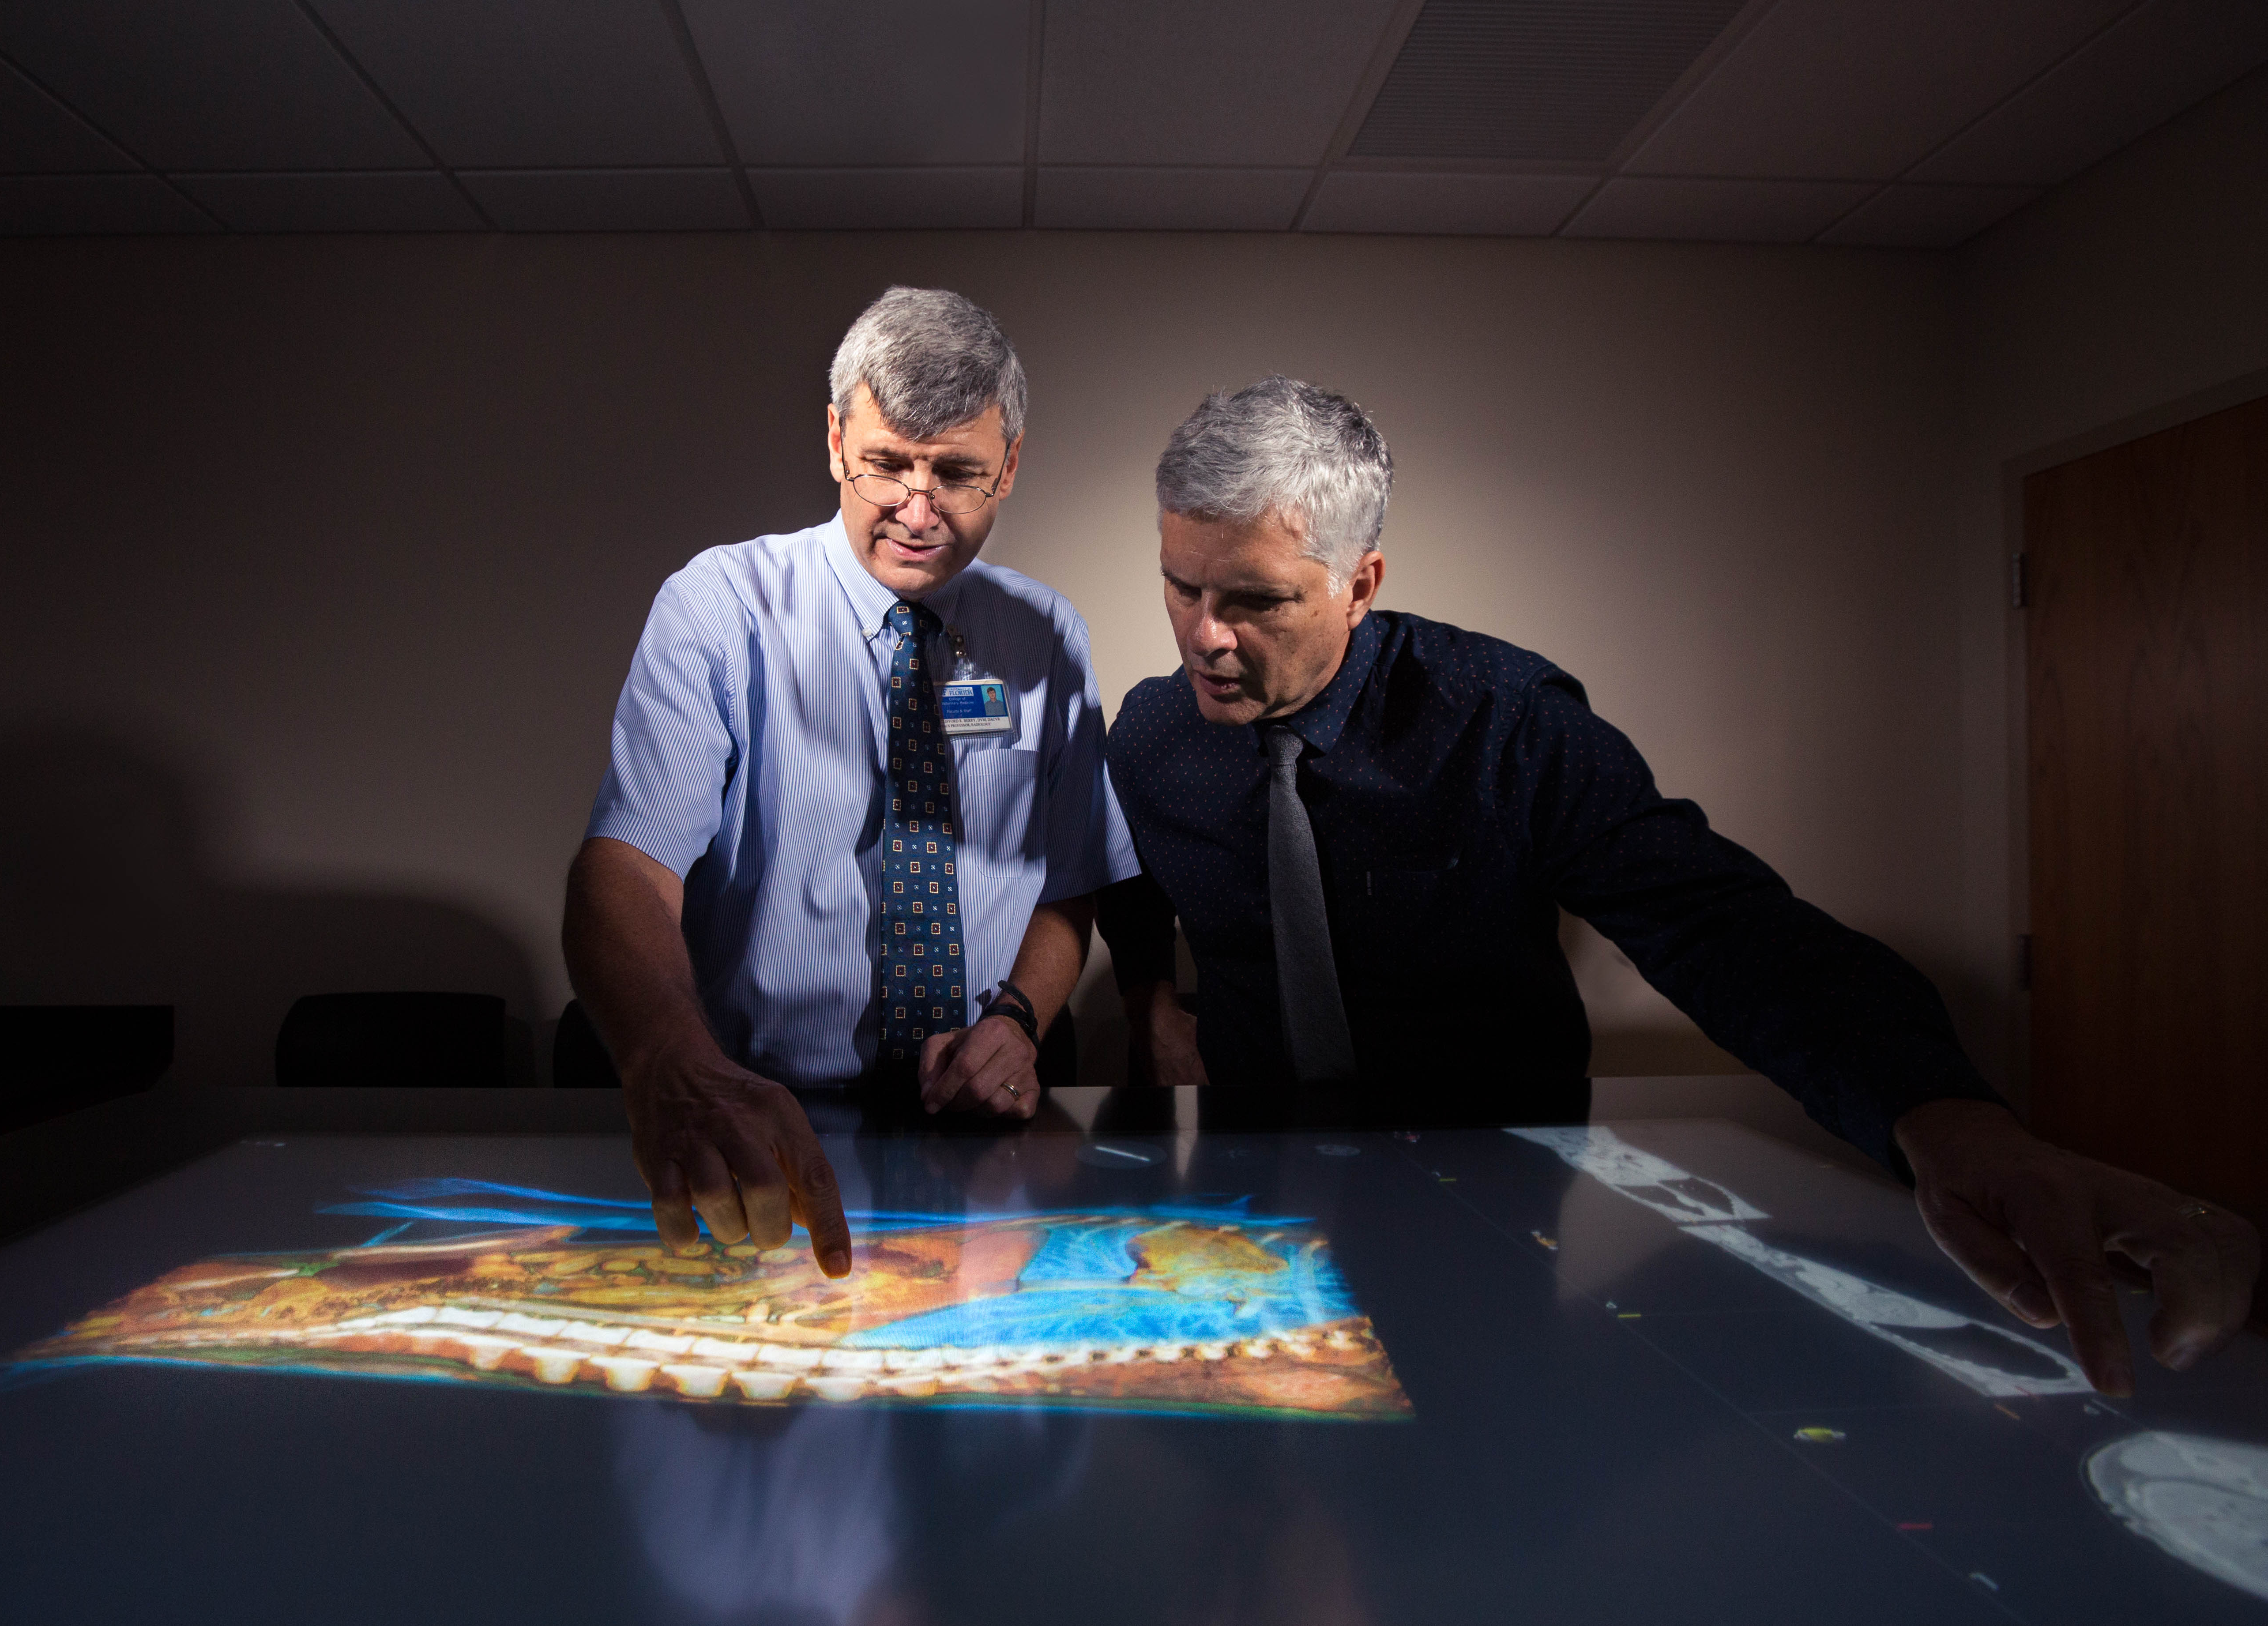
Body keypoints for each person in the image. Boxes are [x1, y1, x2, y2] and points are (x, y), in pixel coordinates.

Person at [1097, 375, 2258, 1394]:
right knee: (1265, 1459)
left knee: (1476, 1468)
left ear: (1359, 583)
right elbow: (1133, 877)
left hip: (1486, 1193)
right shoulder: (1152, 740)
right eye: (1180, 587)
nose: (1203, 635)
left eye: (1254, 599)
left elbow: (1719, 928)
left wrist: (1947, 1118)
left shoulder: (1504, 722)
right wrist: (1151, 994)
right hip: (1247, 1196)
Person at [564, 288, 1136, 1280]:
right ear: (836, 443)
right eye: (886, 467)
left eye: (956, 474)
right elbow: (625, 866)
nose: (917, 511)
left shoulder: (1049, 636)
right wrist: (672, 1060)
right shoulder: (721, 609)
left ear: (1010, 465)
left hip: (979, 1149)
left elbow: (1067, 880)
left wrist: (1015, 1022)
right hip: (763, 1125)